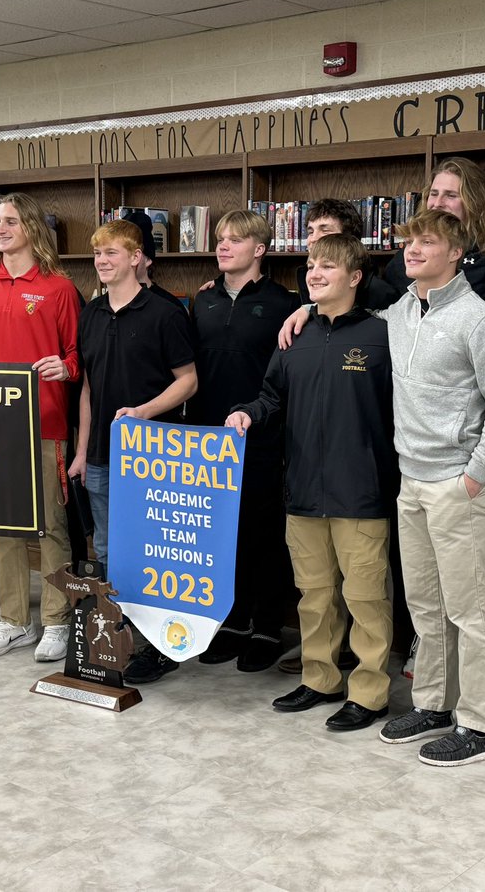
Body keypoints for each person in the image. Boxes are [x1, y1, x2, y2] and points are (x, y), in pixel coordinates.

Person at [227, 233, 397, 732]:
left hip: (361, 491)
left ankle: (369, 693)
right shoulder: (293, 336)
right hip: (301, 490)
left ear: (355, 277)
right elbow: (271, 398)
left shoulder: (381, 335)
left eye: (327, 266)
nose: (315, 273)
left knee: (366, 599)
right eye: (310, 266)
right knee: (314, 594)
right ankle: (319, 679)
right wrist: (246, 414)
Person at [376, 209, 485, 766]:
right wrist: (301, 311)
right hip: (410, 480)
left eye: (427, 241)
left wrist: (475, 473)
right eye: (409, 241)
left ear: (456, 251)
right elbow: (348, 311)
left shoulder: (480, 320)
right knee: (425, 603)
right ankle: (434, 704)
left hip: (457, 484)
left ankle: (482, 727)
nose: (412, 250)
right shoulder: (400, 313)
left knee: (469, 607)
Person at [68, 218, 197, 684]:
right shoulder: (91, 314)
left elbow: (189, 381)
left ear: (137, 258)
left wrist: (144, 411)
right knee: (107, 550)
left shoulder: (165, 313)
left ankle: (159, 646)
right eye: (98, 254)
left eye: (113, 253)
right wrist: (81, 451)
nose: (102, 262)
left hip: (152, 460)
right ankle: (117, 639)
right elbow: (86, 388)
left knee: (151, 554)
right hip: (100, 456)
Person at [0, 192, 82, 663]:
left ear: (30, 226)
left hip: (47, 423)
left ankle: (57, 620)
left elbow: (76, 359)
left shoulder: (58, 287)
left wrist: (65, 369)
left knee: (51, 527)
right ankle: (13, 622)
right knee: (2, 527)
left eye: (10, 221)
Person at [188, 209, 299, 672]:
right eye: (220, 239)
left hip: (262, 435)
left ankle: (267, 627)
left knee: (263, 532)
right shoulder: (203, 301)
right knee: (221, 532)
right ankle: (231, 623)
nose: (224, 246)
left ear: (260, 248)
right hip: (209, 435)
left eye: (235, 239)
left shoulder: (283, 302)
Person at [384, 157, 485, 298]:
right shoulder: (408, 255)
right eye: (433, 194)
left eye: (450, 195)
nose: (437, 203)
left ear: (475, 202)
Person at [120, 211, 184, 314]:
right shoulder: (103, 306)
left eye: (132, 254)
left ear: (148, 260)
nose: (122, 259)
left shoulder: (170, 307)